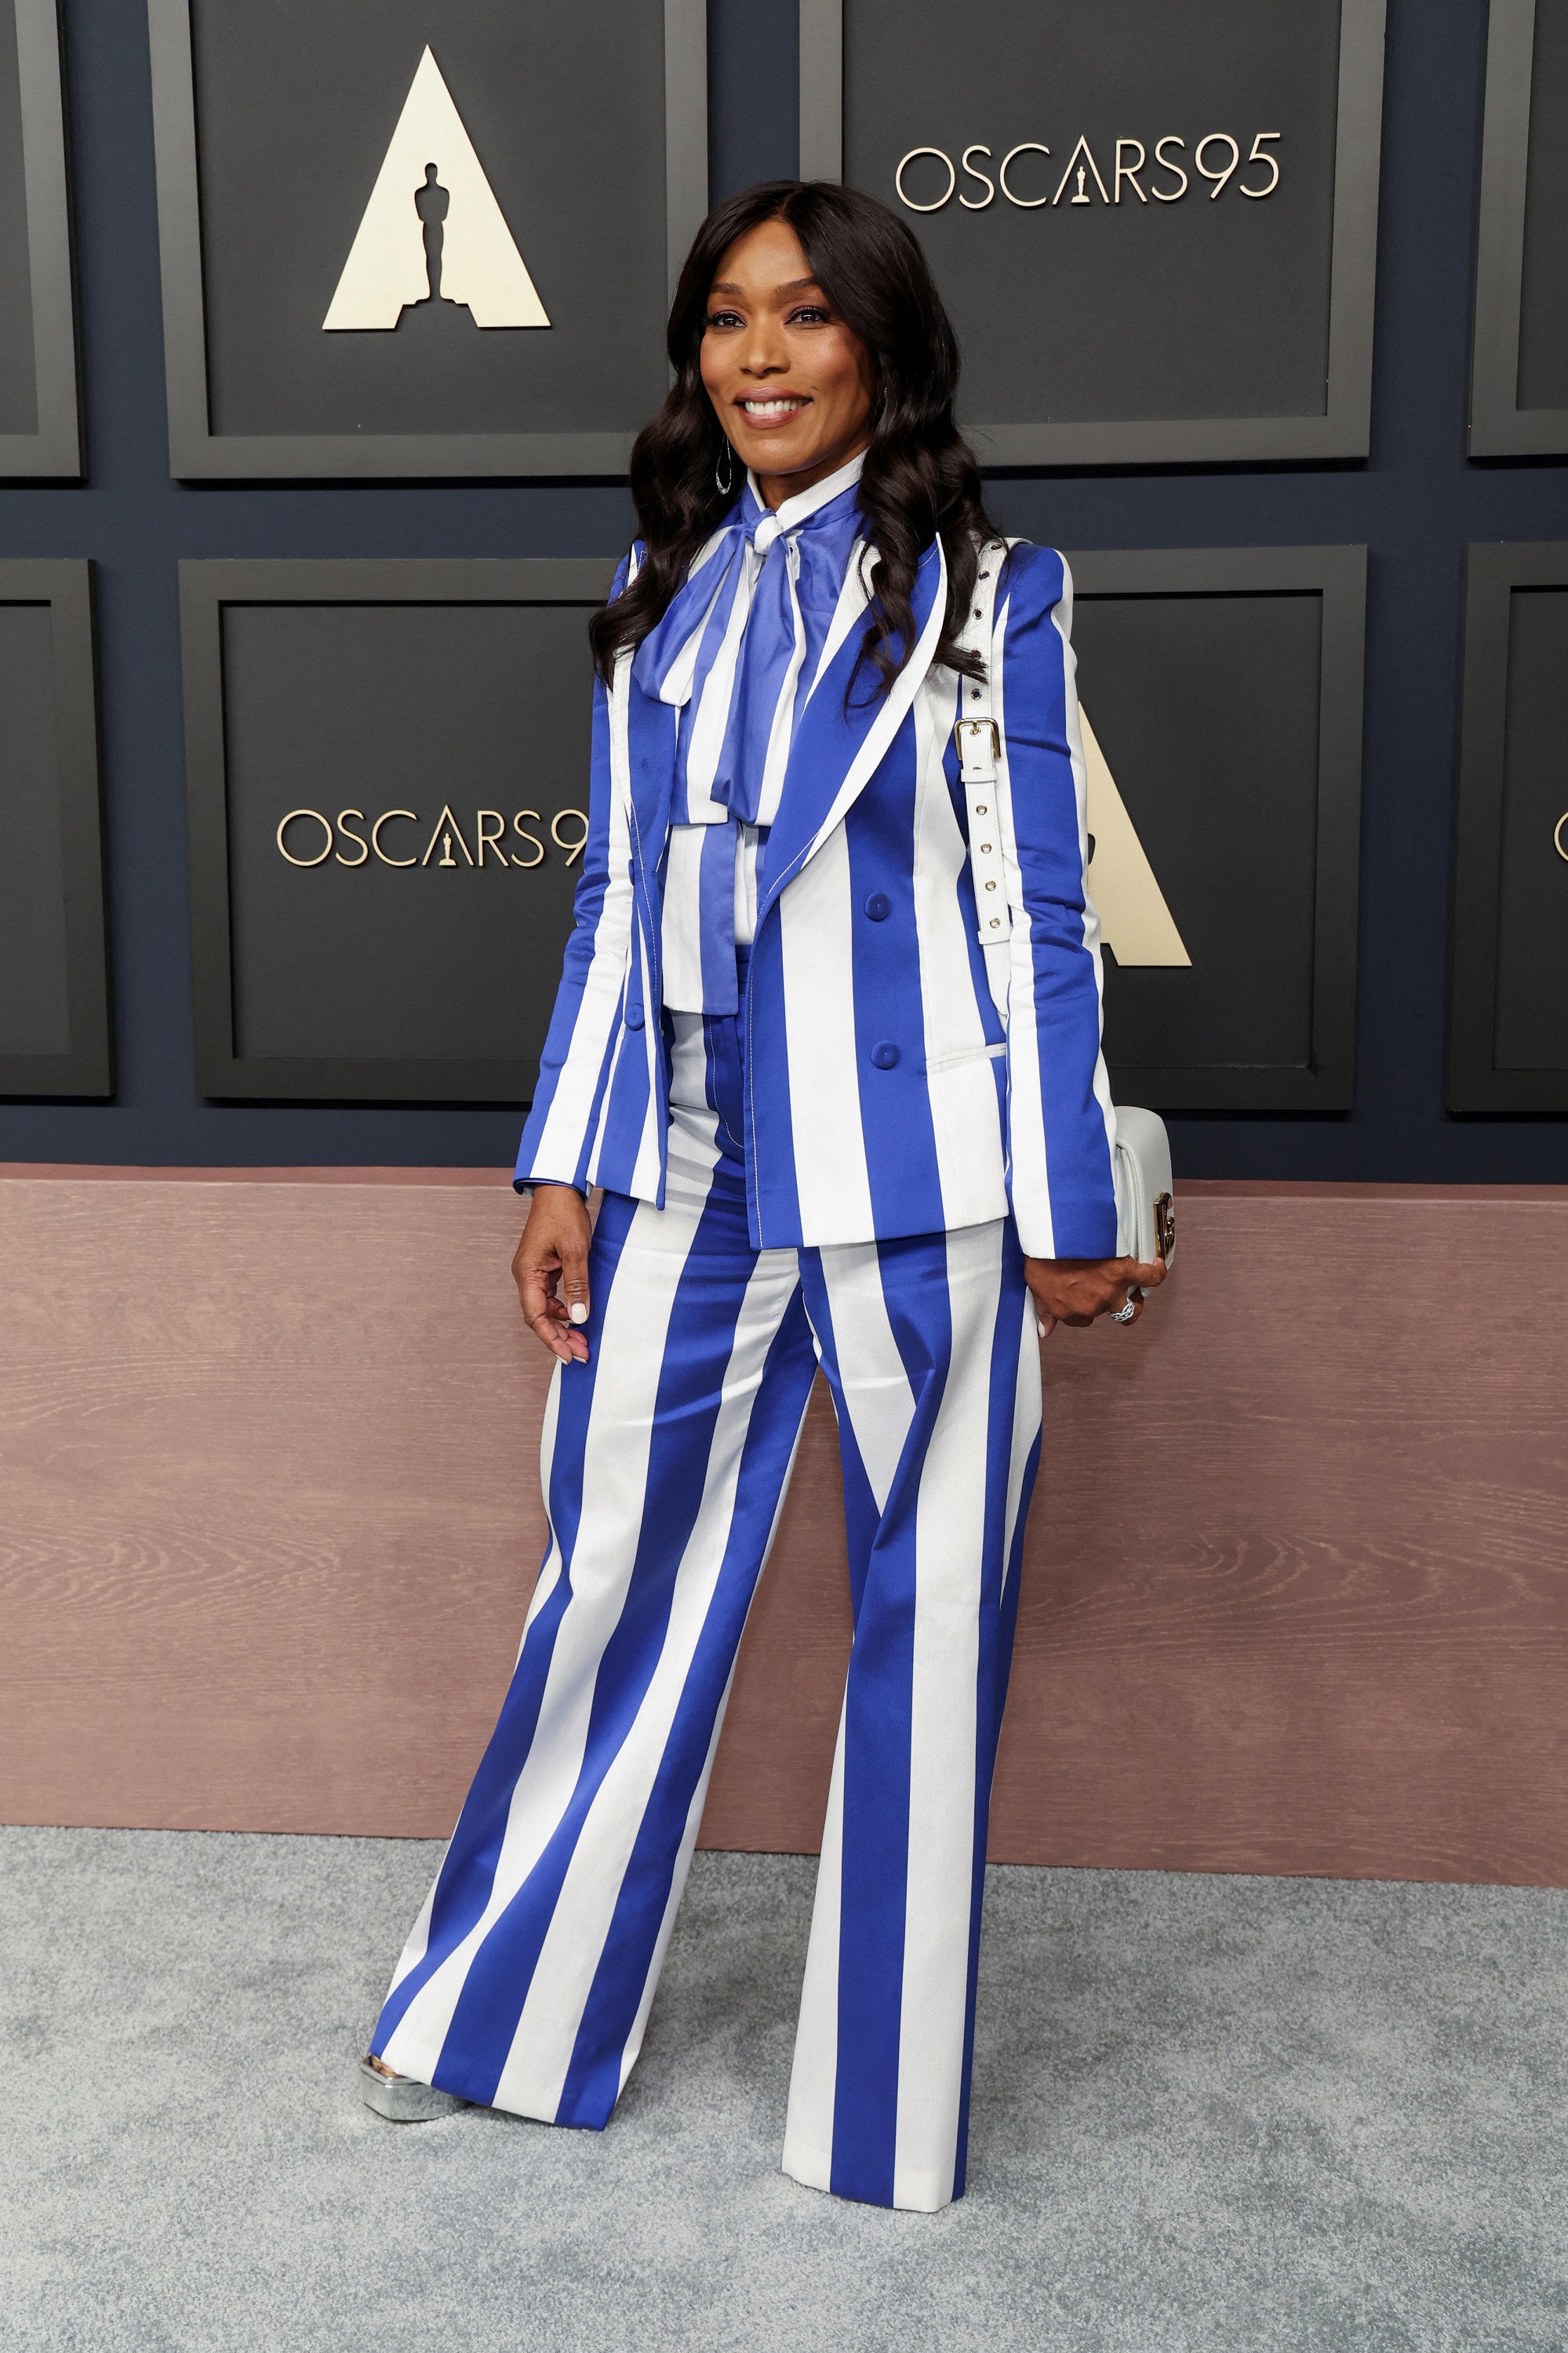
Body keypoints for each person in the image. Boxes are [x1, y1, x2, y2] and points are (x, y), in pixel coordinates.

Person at [359, 179, 1165, 2214]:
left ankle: (880, 2119)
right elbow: (616, 906)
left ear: (882, 348)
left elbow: (1033, 914)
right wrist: (565, 1154)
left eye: (806, 318)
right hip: (690, 1176)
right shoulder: (661, 595)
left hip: (924, 1184)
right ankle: (502, 2022)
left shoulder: (1000, 595)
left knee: (934, 1616)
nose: (761, 357)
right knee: (609, 1576)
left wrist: (1072, 1201)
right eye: (727, 320)